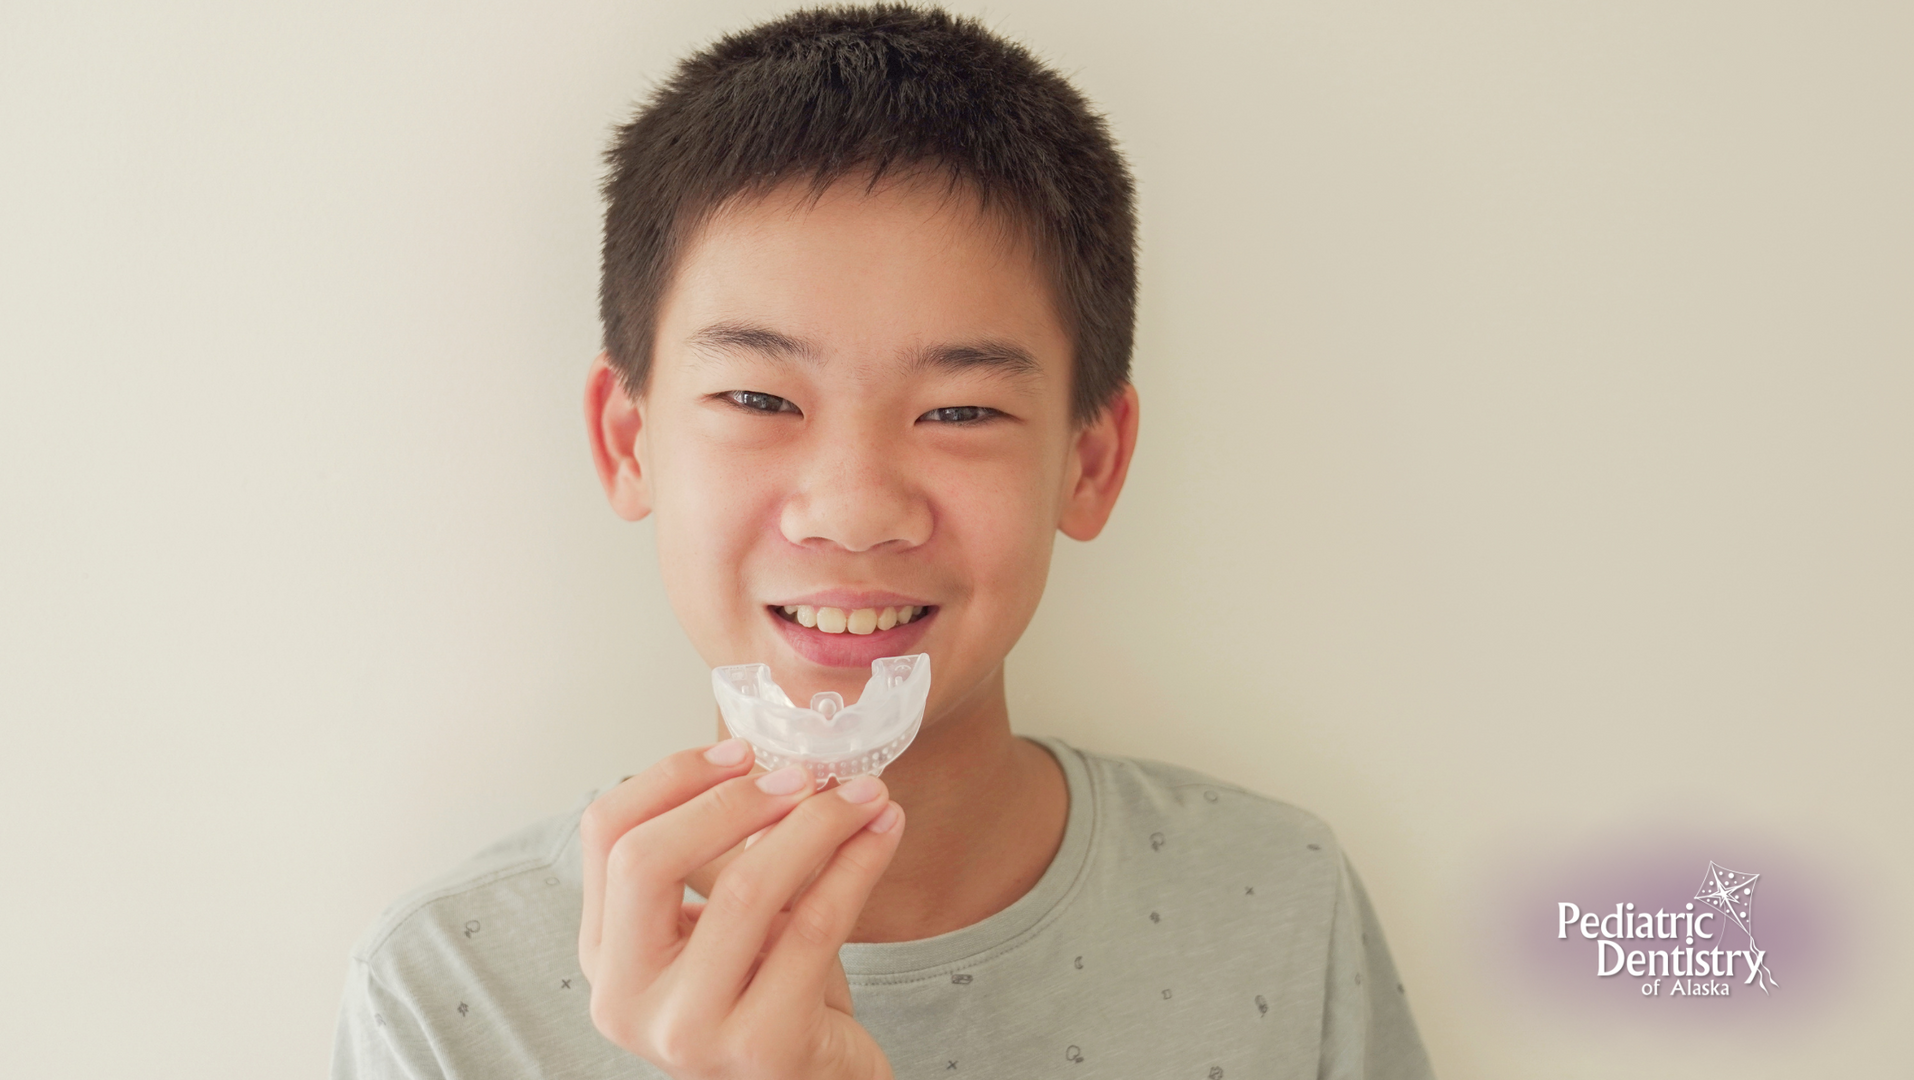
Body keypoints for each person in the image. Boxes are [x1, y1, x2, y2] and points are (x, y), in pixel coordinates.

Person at [331, 6, 1433, 1077]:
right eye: (760, 400)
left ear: (1088, 464)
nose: (853, 510)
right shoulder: (444, 995)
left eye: (959, 411)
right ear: (630, 443)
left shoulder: (1278, 905)